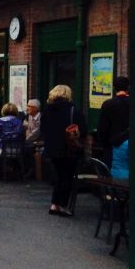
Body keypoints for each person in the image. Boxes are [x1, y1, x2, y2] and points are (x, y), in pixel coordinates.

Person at [41, 84, 86, 217]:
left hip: (52, 149)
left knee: (59, 176)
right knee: (67, 177)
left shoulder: (47, 111)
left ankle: (54, 204)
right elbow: (83, 129)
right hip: (68, 148)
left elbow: (43, 130)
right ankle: (62, 206)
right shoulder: (73, 110)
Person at [97, 76, 130, 169]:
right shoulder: (134, 103)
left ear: (114, 88)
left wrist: (105, 144)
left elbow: (102, 128)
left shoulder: (108, 104)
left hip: (113, 146)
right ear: (128, 87)